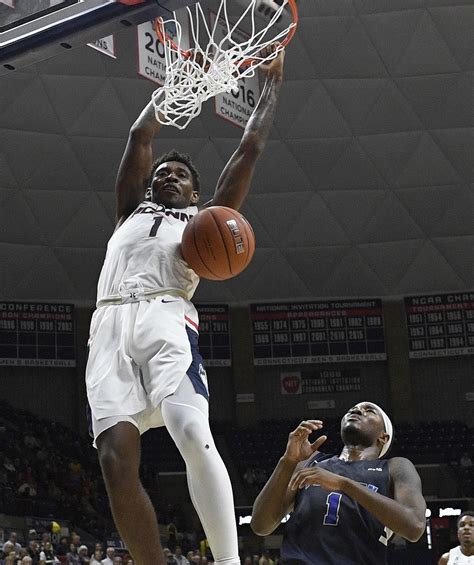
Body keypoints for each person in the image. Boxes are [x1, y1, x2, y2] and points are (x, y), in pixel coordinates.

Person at [85, 43, 285, 565]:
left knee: (193, 432)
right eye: (163, 172)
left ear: (197, 194)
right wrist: (174, 89)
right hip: (108, 321)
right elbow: (140, 136)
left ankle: (227, 561)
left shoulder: (205, 221)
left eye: (179, 173)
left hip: (167, 316)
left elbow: (249, 148)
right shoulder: (130, 209)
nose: (166, 174)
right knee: (114, 461)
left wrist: (270, 84)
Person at [251, 402, 427, 564]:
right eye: (353, 409)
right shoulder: (311, 462)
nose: (357, 410)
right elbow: (261, 525)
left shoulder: (394, 467)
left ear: (383, 436)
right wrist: (288, 461)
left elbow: (415, 527)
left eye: (369, 411)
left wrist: (344, 485)